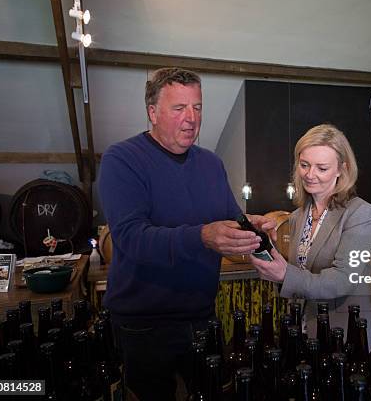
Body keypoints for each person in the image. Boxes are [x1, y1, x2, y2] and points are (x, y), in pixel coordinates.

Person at [98, 67, 274, 401]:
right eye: (179, 108)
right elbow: (131, 239)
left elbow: (230, 218)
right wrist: (203, 237)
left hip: (202, 317)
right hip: (143, 325)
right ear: (152, 112)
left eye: (197, 107)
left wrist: (251, 226)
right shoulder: (122, 159)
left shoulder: (211, 163)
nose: (191, 118)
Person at [250, 124, 371, 342]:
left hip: (346, 333)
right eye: (304, 165)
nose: (310, 175)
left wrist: (285, 275)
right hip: (305, 328)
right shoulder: (298, 216)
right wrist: (268, 254)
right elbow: (299, 274)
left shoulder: (361, 213)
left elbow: (343, 280)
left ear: (341, 169)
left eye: (322, 168)